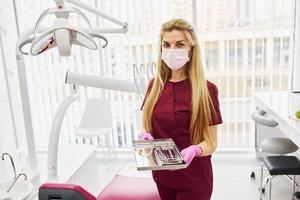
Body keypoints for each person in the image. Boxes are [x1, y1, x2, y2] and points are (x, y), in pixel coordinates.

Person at [140, 18, 223, 200]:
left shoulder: (206, 90)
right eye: (166, 45)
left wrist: (195, 150)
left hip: (194, 179)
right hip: (163, 176)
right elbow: (146, 126)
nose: (172, 50)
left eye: (179, 44)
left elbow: (211, 143)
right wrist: (145, 136)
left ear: (191, 49)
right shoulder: (154, 86)